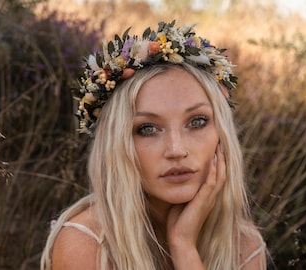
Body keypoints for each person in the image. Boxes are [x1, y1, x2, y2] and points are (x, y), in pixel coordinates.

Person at [41, 20, 267, 269]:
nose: (177, 150)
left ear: (221, 134)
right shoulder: (86, 245)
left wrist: (183, 246)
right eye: (147, 129)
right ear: (117, 145)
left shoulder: (243, 245)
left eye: (197, 121)